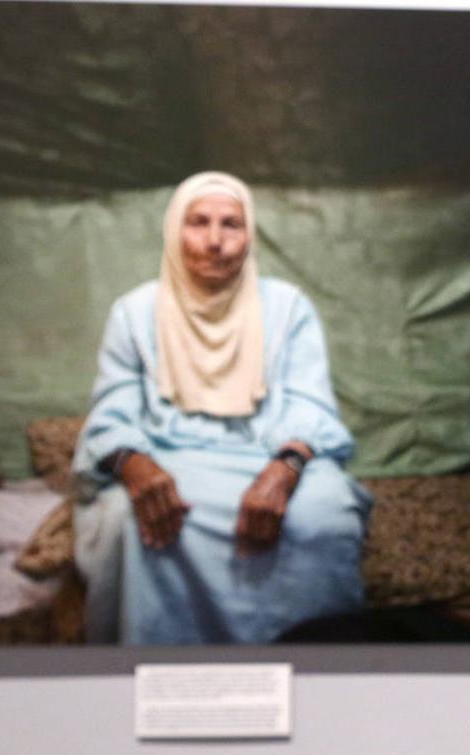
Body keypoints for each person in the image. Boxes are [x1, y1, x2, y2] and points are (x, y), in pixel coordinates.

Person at [71, 171, 371, 644]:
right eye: (198, 222)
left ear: (249, 233)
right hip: (170, 456)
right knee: (136, 521)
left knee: (324, 515)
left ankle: (313, 672)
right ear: (174, 230)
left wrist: (283, 471)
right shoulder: (134, 311)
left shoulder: (288, 307)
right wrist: (135, 463)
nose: (215, 241)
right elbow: (114, 409)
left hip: (273, 454)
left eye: (231, 224)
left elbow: (310, 404)